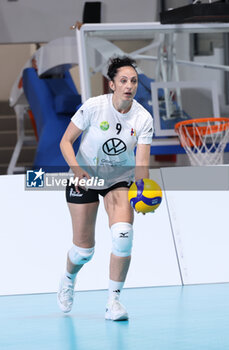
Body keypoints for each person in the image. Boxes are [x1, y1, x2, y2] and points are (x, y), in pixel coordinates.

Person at [57, 56, 153, 321]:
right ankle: (68, 279)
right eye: (123, 80)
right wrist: (77, 171)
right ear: (112, 84)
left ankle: (114, 302)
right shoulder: (93, 107)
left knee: (123, 235)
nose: (129, 86)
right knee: (84, 251)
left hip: (119, 179)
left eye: (133, 81)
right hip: (85, 176)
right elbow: (66, 142)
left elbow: (142, 165)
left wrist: (144, 192)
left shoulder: (143, 118)